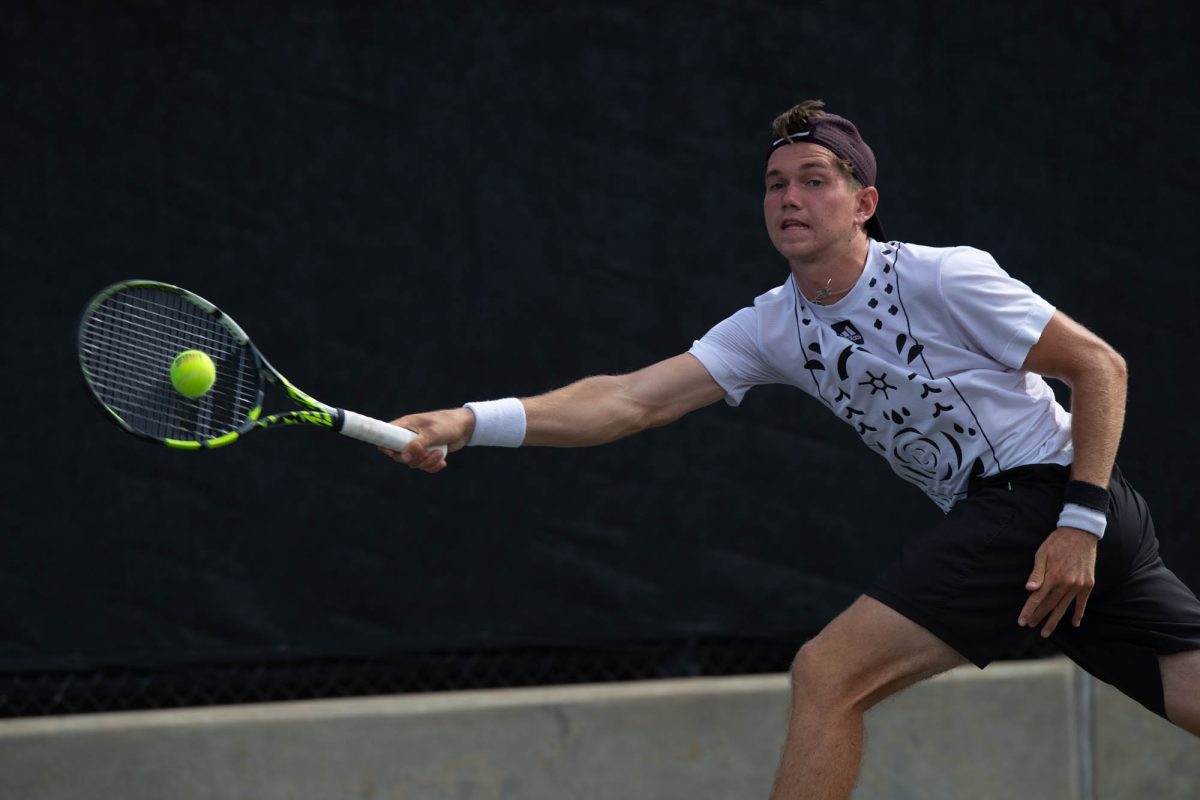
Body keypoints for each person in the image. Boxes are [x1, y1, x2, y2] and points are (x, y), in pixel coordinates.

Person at [381, 100, 1200, 799]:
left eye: (816, 179)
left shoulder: (944, 277)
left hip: (1048, 498)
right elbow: (628, 400)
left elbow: (1099, 366)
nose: (790, 197)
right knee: (1184, 687)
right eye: (776, 184)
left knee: (827, 674)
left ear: (863, 201)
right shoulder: (773, 325)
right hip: (1052, 517)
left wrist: (1077, 522)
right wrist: (466, 420)